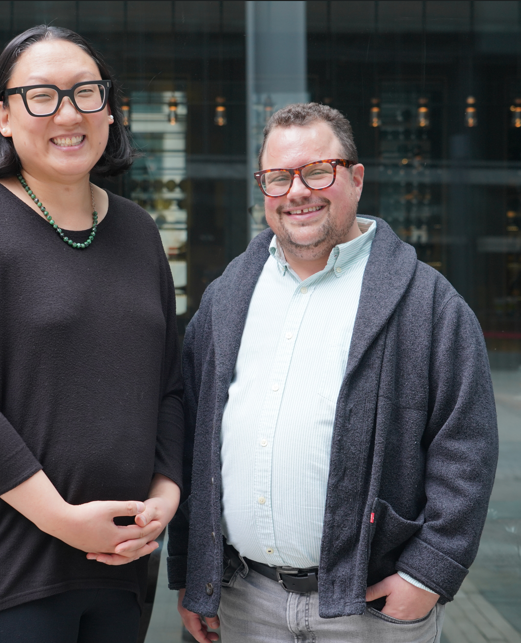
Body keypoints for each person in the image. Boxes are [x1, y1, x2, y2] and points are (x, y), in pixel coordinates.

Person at [168, 103, 498, 643]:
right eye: (278, 177)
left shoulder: (428, 303)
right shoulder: (228, 296)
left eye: (317, 171)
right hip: (242, 603)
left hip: (370, 611)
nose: (297, 191)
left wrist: (428, 573)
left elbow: (467, 447)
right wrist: (191, 571)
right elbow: (192, 439)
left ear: (356, 178)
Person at [0, 25, 184, 643]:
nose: (68, 113)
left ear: (109, 109)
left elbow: (168, 385)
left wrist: (165, 495)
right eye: (42, 96)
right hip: (5, 571)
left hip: (121, 568)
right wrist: (62, 519)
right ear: (3, 115)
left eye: (87, 93)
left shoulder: (139, 231)